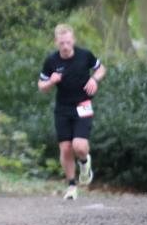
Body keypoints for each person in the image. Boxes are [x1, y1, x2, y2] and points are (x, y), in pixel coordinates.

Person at [37, 24, 106, 200]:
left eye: (68, 42)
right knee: (66, 148)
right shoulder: (51, 61)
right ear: (56, 42)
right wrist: (51, 81)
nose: (65, 46)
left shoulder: (85, 55)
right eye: (61, 43)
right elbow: (41, 86)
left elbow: (101, 68)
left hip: (83, 105)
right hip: (62, 109)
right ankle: (71, 186)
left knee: (79, 146)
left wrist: (95, 80)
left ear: (73, 40)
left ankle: (84, 162)